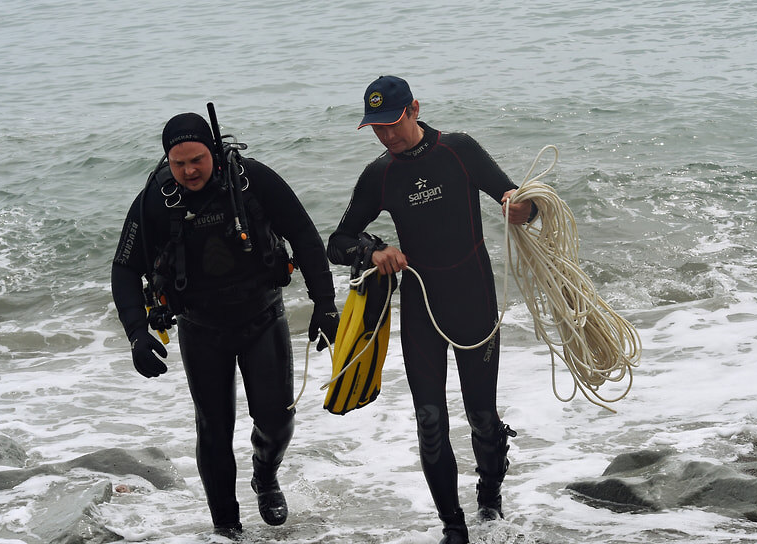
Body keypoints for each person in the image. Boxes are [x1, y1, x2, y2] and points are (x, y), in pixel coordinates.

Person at [327, 76, 536, 544]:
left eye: (393, 123)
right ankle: (453, 528)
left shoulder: (458, 151)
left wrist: (521, 208)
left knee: (481, 414)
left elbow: (517, 196)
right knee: (430, 421)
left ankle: (489, 500)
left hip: (473, 299)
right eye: (376, 128)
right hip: (421, 308)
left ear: (414, 109)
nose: (387, 135)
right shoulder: (379, 174)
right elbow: (336, 243)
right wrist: (373, 248)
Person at [111, 111, 339, 538]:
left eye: (197, 159)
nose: (189, 171)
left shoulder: (254, 181)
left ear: (213, 150)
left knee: (276, 420)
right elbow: (124, 269)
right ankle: (226, 527)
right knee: (214, 429)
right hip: (201, 329)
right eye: (178, 163)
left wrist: (325, 304)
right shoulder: (155, 202)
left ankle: (265, 476)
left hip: (262, 317)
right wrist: (137, 334)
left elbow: (306, 237)